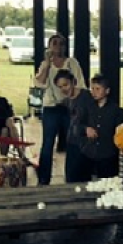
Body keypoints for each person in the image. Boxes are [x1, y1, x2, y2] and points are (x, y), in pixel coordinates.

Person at [34, 33, 86, 185]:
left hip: (68, 107)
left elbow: (80, 84)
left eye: (61, 43)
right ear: (49, 46)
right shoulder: (46, 65)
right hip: (51, 107)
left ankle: (71, 177)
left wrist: (70, 98)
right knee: (47, 143)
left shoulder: (71, 63)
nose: (58, 46)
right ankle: (44, 179)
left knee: (72, 142)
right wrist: (47, 63)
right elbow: (39, 83)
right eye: (54, 43)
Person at [79, 74, 123, 180]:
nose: (94, 92)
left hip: (108, 154)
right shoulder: (87, 108)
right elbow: (76, 125)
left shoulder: (116, 111)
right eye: (92, 89)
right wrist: (86, 129)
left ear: (107, 91)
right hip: (89, 153)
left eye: (98, 89)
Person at [53, 69, 96, 184]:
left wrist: (86, 129)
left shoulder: (86, 97)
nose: (63, 89)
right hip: (72, 142)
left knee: (82, 178)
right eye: (60, 87)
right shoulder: (66, 101)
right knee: (70, 178)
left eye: (66, 85)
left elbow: (93, 119)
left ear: (73, 82)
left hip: (84, 144)